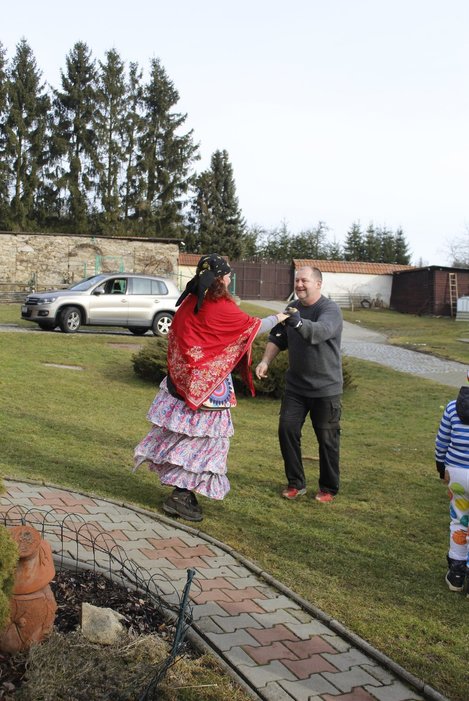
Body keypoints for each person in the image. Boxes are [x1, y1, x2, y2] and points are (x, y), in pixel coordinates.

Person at [133, 254, 288, 522]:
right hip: (206, 391)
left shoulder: (191, 301)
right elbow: (252, 328)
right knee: (205, 443)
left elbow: (183, 340)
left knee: (183, 439)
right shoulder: (220, 306)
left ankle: (181, 492)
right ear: (220, 279)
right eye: (227, 275)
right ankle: (181, 494)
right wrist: (280, 317)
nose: (230, 278)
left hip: (181, 384)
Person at [255, 266, 343, 503]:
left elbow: (319, 332)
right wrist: (265, 361)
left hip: (326, 388)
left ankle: (328, 488)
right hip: (296, 388)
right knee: (287, 430)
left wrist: (297, 323)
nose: (299, 285)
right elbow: (277, 337)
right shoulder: (292, 308)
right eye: (297, 281)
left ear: (318, 284)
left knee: (327, 439)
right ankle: (296, 483)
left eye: (304, 280)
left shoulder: (329, 310)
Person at [435, 381, 469, 592]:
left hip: (457, 474)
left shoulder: (451, 407)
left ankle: (456, 574)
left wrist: (441, 468)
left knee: (459, 520)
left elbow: (442, 442)